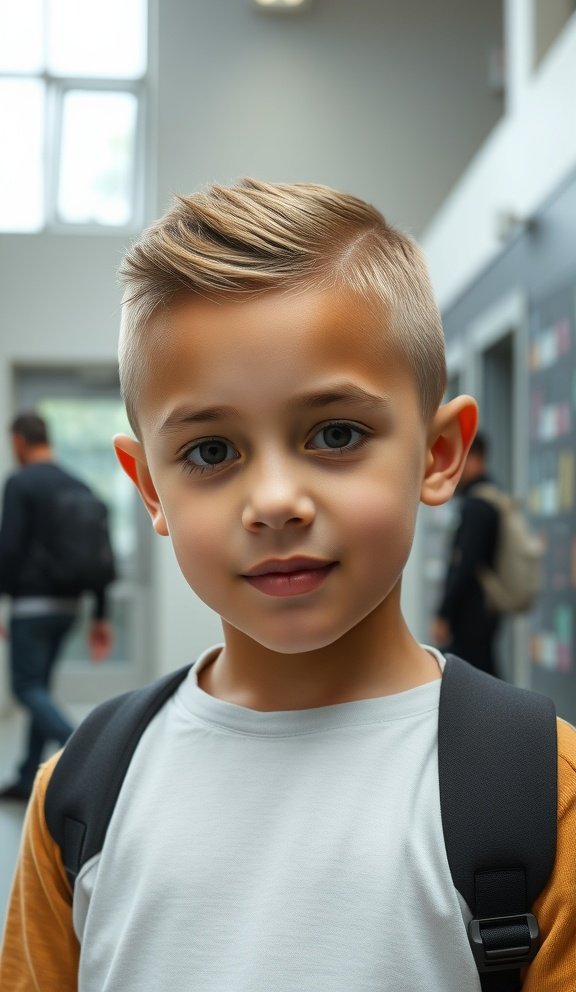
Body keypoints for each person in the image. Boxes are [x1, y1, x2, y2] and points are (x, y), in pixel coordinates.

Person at [1, 180, 574, 990]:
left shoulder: (543, 792)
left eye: (335, 433)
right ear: (150, 489)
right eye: (210, 452)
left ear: (439, 453)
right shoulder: (86, 788)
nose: (273, 502)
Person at [0, 412, 114, 801]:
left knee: (25, 686)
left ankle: (85, 756)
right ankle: (24, 776)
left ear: (18, 441)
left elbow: (9, 548)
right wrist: (101, 615)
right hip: (70, 606)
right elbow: (101, 556)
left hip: (31, 606)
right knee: (40, 686)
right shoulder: (79, 486)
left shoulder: (21, 483)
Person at [431, 431, 501, 676]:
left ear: (474, 460)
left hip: (471, 611)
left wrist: (444, 613)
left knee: (474, 676)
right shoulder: (491, 498)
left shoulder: (476, 506)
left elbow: (464, 564)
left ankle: (501, 714)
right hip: (485, 608)